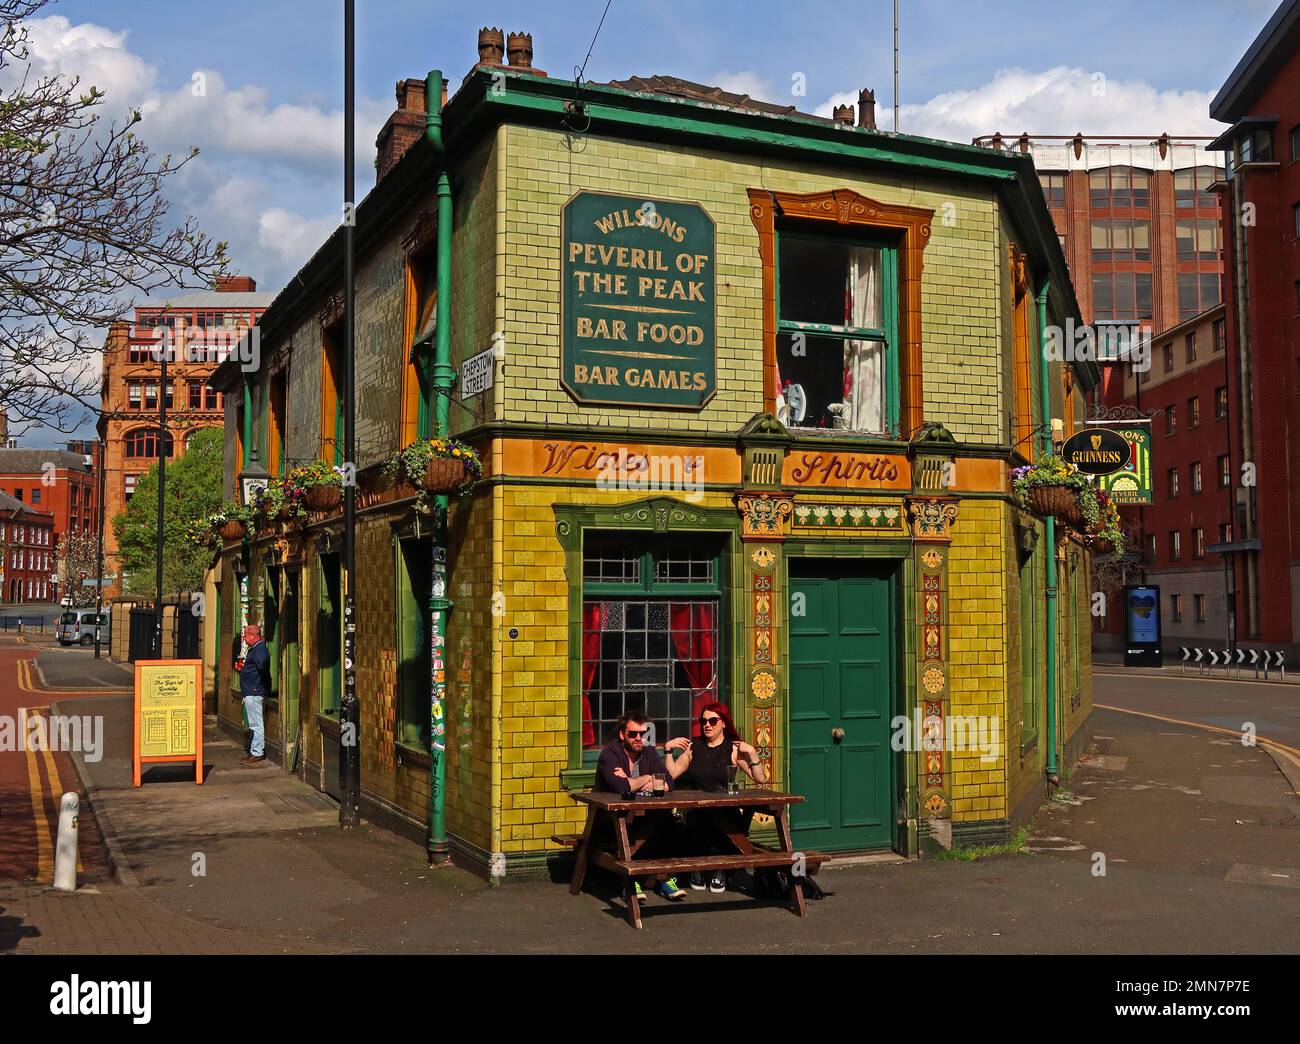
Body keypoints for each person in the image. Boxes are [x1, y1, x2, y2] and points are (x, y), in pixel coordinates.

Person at [665, 701, 766, 893]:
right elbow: (672, 773)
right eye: (704, 721)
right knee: (697, 820)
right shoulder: (694, 747)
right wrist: (668, 751)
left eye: (713, 720)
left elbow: (759, 778)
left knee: (730, 821)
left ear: (724, 723)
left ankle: (721, 870)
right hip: (698, 809)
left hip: (725, 808)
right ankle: (698, 870)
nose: (707, 725)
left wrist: (752, 752)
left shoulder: (733, 749)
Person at [594, 711, 686, 901]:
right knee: (655, 822)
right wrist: (647, 779)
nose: (638, 738)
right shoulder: (609, 754)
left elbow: (668, 783)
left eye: (643, 734)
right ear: (622, 734)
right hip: (610, 820)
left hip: (642, 817)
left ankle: (663, 880)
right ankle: (630, 881)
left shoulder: (649, 752)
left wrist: (633, 781)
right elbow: (622, 787)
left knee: (669, 820)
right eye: (633, 734)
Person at [237, 623, 272, 767]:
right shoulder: (256, 649)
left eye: (245, 635)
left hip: (254, 691)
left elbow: (262, 666)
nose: (244, 638)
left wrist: (259, 686)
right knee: (253, 723)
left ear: (252, 636)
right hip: (251, 690)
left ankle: (257, 752)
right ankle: (254, 750)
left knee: (256, 724)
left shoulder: (259, 649)